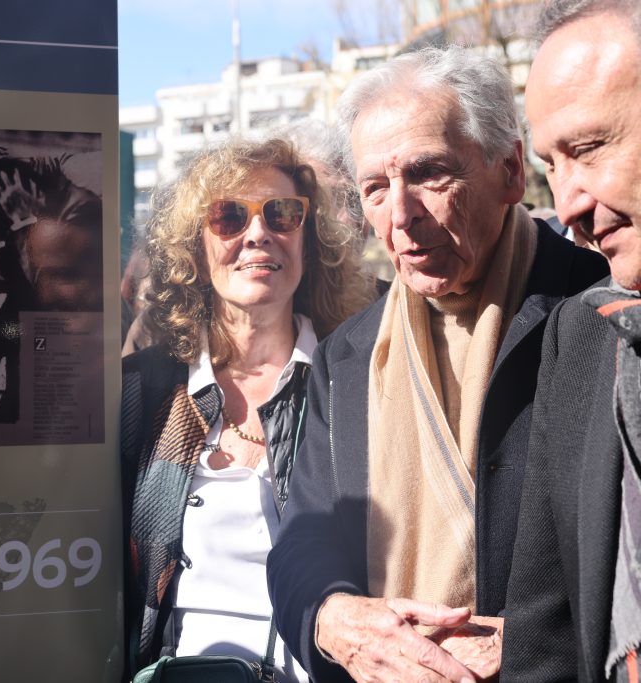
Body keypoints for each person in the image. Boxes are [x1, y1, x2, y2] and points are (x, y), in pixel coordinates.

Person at [266, 45, 609, 682]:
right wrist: (332, 618)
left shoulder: (599, 311)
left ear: (511, 171)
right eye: (375, 188)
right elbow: (300, 544)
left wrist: (530, 648)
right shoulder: (346, 357)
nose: (400, 215)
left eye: (428, 174)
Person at [121, 136, 376, 682]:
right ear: (195, 249)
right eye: (229, 217)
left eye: (281, 214)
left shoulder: (360, 379)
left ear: (308, 241)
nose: (258, 233)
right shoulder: (144, 392)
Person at [502, 1, 641, 680]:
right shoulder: (579, 334)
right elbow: (544, 634)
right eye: (551, 166)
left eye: (588, 149)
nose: (568, 205)